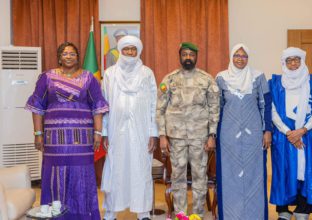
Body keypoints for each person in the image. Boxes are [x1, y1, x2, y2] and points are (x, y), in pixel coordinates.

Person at [25, 42, 108, 219]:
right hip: (54, 139)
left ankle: (82, 215)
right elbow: (37, 107)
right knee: (54, 174)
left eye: (72, 54)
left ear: (78, 57)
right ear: (59, 57)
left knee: (81, 175)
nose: (69, 56)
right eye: (65, 53)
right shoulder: (46, 77)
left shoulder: (88, 78)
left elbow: (98, 107)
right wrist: (38, 134)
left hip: (82, 138)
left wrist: (98, 133)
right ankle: (56, 215)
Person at [156, 42, 220, 217]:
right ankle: (181, 214)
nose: (188, 58)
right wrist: (162, 135)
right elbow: (160, 109)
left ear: (196, 57)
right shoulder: (169, 79)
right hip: (176, 137)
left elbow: (214, 109)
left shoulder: (207, 79)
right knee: (178, 177)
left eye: (191, 55)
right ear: (180, 56)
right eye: (185, 54)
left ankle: (197, 214)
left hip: (200, 137)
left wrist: (212, 135)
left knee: (200, 177)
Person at [100, 35, 158, 220]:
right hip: (116, 131)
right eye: (127, 49)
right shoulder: (110, 73)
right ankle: (110, 212)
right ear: (120, 51)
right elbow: (105, 105)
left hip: (141, 131)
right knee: (115, 168)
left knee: (140, 169)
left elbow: (153, 105)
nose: (130, 52)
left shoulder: (147, 73)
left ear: (138, 51)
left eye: (134, 49)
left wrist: (153, 133)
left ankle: (143, 213)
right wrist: (105, 132)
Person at [215, 43, 272, 220]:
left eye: (244, 56)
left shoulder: (258, 76)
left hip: (254, 135)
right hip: (227, 136)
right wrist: (213, 135)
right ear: (231, 57)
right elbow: (217, 107)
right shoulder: (221, 78)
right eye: (237, 56)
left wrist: (267, 130)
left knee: (254, 176)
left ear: (248, 58)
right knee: (229, 175)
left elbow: (266, 105)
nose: (240, 59)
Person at [269, 47, 312, 220]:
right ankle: (283, 210)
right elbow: (272, 110)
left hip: (306, 134)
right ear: (284, 63)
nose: (293, 63)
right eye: (289, 60)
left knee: (305, 170)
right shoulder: (275, 82)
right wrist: (289, 132)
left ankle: (303, 209)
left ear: (302, 61)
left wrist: (302, 130)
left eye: (296, 59)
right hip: (283, 136)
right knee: (283, 170)